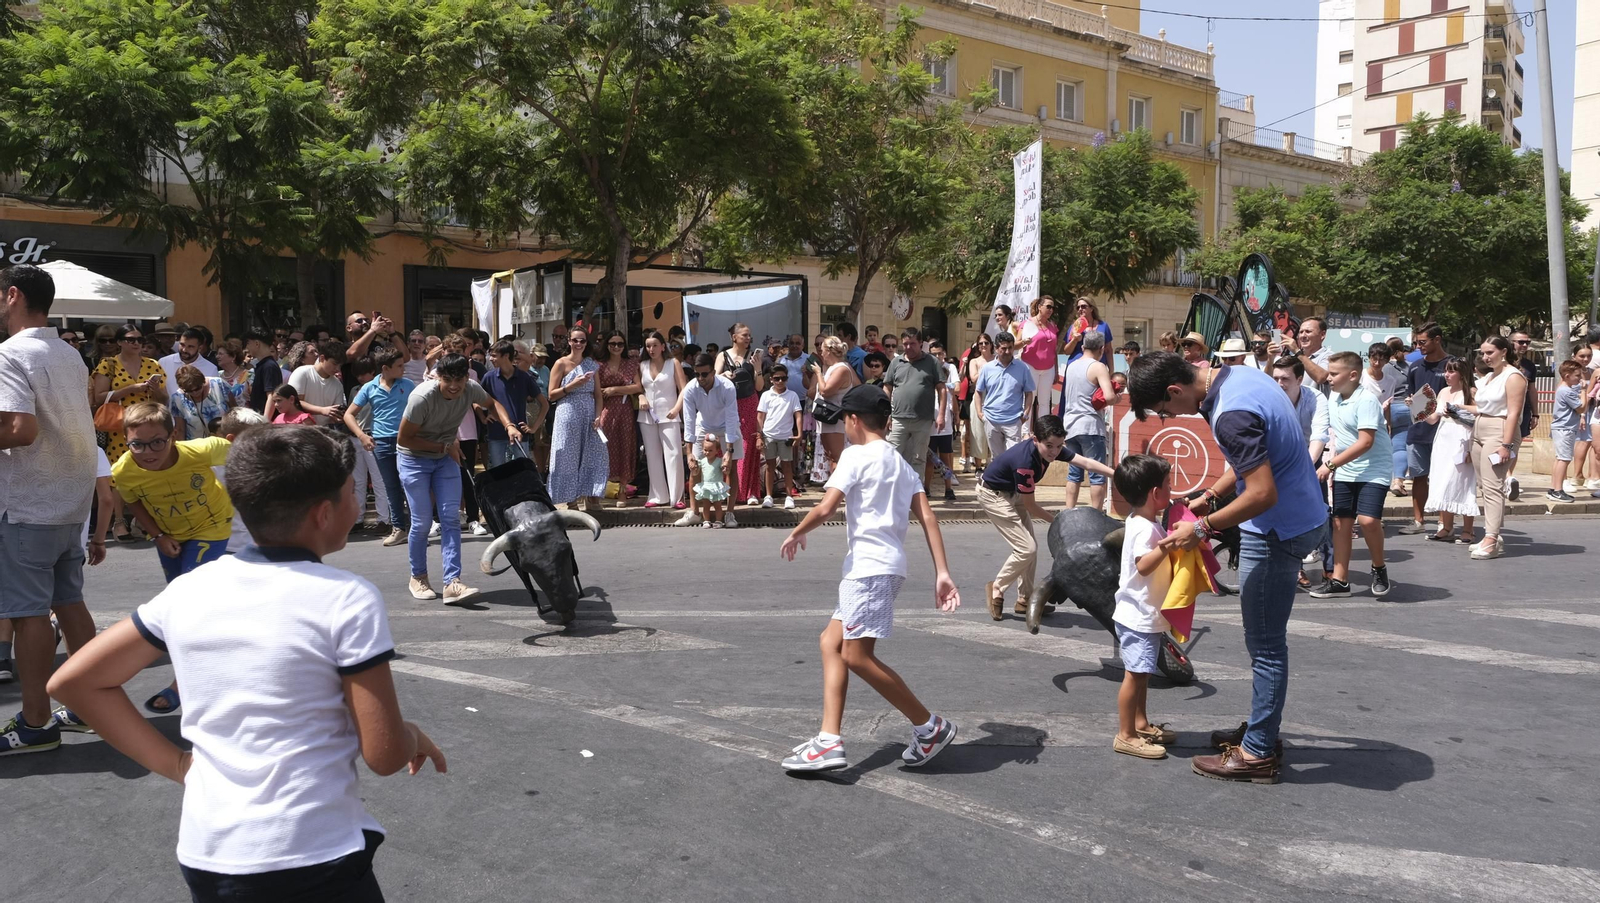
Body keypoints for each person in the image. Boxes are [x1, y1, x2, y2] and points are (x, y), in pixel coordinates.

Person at [49, 425, 444, 899]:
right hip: (313, 853)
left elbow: (74, 682)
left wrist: (176, 764)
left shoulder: (190, 590)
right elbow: (383, 755)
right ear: (323, 514)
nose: (356, 503)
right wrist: (412, 735)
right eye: (351, 494)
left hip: (209, 852)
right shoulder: (347, 598)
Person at [1128, 352, 1325, 783]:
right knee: (1267, 643)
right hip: (1303, 515)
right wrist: (1212, 496)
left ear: (1175, 391)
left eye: (1165, 411)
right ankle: (1262, 728)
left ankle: (1256, 753)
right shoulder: (1241, 378)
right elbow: (1249, 462)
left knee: (1267, 645)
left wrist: (1200, 528)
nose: (1169, 418)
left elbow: (1261, 493)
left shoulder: (1229, 415)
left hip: (1277, 529)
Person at [778, 384, 961, 773]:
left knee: (856, 656)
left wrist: (797, 531)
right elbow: (928, 517)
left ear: (855, 420)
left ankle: (929, 726)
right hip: (883, 568)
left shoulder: (855, 455)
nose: (843, 425)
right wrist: (942, 572)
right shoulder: (899, 462)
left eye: (844, 418)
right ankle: (829, 738)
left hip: (868, 570)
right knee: (831, 641)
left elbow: (827, 506)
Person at [0, 264, 101, 754]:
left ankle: (36, 723)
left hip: (29, 499)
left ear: (13, 295)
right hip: (69, 496)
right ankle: (87, 705)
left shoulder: (10, 353)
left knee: (27, 614)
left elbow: (21, 430)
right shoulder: (67, 351)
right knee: (69, 602)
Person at [114, 402, 236, 713]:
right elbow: (134, 504)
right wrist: (157, 536)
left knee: (187, 604)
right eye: (137, 444)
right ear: (126, 441)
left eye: (157, 441)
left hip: (211, 528)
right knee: (188, 605)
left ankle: (183, 684)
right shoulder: (124, 470)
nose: (148, 451)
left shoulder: (200, 450)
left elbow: (248, 449)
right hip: (169, 536)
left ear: (173, 435)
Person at [398, 353, 521, 603]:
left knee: (451, 519)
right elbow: (404, 439)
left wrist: (509, 424)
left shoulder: (471, 389)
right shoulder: (421, 397)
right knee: (422, 523)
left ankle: (452, 582)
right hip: (414, 459)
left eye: (459, 379)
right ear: (437, 377)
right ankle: (418, 577)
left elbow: (493, 403)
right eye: (447, 379)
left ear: (467, 377)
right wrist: (442, 447)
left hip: (444, 458)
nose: (453, 386)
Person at [978, 415, 1114, 622]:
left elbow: (1085, 462)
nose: (1054, 452)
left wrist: (1116, 473)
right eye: (1049, 446)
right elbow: (1031, 506)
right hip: (993, 495)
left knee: (1029, 548)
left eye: (1059, 446)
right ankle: (997, 587)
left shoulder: (1052, 450)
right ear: (1035, 439)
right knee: (1027, 548)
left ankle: (1024, 600)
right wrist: (1061, 522)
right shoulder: (1025, 462)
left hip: (1013, 494)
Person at [1311, 352, 1395, 598]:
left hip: (1374, 468)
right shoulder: (1334, 398)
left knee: (1368, 521)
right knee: (1340, 523)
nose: (1329, 378)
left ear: (1353, 375)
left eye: (1334, 374)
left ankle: (1379, 568)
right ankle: (1340, 580)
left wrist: (1331, 464)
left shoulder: (1366, 400)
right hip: (1347, 469)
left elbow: (1366, 442)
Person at [1110, 454, 1177, 760]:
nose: (1171, 489)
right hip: (1138, 615)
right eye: (1168, 484)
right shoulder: (1146, 530)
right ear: (1155, 493)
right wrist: (1166, 545)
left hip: (1140, 613)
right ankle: (1125, 735)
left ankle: (1139, 724)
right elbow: (1144, 565)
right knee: (1135, 675)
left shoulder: (1143, 520)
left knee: (1142, 673)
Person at [346, 346, 416, 546]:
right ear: (386, 368)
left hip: (406, 441)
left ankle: (416, 530)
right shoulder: (369, 387)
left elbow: (421, 409)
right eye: (399, 365)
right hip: (381, 442)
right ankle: (399, 529)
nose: (403, 369)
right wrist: (361, 435)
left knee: (409, 484)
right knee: (391, 486)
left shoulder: (408, 385)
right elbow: (348, 414)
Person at [1467, 336, 1525, 560]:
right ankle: (1492, 535)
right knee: (1484, 485)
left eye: (1490, 352)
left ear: (1503, 352)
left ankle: (1491, 537)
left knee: (1493, 487)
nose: (1485, 357)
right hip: (1480, 429)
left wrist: (1506, 445)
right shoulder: (1490, 376)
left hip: (1499, 431)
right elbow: (1479, 406)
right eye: (1483, 353)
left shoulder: (1513, 376)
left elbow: (1513, 413)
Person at [93, 324, 169, 488]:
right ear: (119, 342)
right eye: (130, 340)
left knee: (148, 470)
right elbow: (99, 397)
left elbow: (164, 399)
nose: (136, 343)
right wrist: (131, 389)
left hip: (149, 423)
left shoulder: (153, 365)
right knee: (119, 472)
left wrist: (155, 389)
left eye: (139, 340)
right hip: (120, 425)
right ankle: (120, 513)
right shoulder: (109, 364)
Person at [674, 353, 744, 528]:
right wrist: (689, 453)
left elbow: (731, 417)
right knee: (695, 468)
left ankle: (729, 514)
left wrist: (728, 451)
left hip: (727, 426)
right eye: (696, 374)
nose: (700, 378)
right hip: (703, 426)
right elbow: (689, 420)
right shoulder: (690, 388)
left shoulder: (727, 387)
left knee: (731, 468)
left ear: (713, 372)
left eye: (704, 374)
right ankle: (695, 513)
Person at [546, 326, 608, 511]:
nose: (579, 344)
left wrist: (598, 415)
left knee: (593, 453)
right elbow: (551, 394)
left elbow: (598, 395)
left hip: (588, 412)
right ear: (569, 341)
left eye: (582, 340)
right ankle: (570, 499)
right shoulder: (561, 364)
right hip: (567, 412)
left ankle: (591, 495)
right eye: (575, 340)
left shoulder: (591, 364)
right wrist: (572, 385)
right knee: (567, 454)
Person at [1059, 330, 1120, 511]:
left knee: (1074, 474)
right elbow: (1109, 397)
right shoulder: (1099, 367)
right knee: (1097, 475)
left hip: (1070, 425)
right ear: (1102, 349)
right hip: (1091, 425)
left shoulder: (1071, 366)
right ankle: (1096, 514)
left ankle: (1069, 512)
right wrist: (1118, 399)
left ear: (1083, 346)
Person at [1400, 323, 1451, 534]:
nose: (1418, 346)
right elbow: (1411, 395)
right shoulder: (1414, 367)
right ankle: (1418, 521)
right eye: (1415, 342)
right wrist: (1410, 402)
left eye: (1422, 342)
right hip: (1418, 429)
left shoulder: (1452, 364)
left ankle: (1443, 523)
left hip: (1445, 431)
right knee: (1418, 476)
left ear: (1437, 339)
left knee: (1442, 477)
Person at [1422, 358, 1479, 542]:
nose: (1447, 375)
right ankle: (1446, 527)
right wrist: (1417, 408)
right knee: (1442, 481)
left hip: (1462, 438)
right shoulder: (1443, 391)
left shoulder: (1471, 392)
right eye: (1446, 371)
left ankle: (1468, 529)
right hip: (1443, 439)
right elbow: (1432, 419)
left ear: (1461, 373)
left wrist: (1472, 447)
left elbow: (1480, 413)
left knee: (1462, 482)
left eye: (1451, 371)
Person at [882, 327, 946, 476]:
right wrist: (886, 414)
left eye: (912, 343)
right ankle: (893, 492)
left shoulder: (932, 362)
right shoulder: (896, 362)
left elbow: (941, 389)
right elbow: (887, 388)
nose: (908, 347)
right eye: (905, 344)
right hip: (898, 419)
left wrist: (941, 415)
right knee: (892, 457)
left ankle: (916, 494)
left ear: (920, 343)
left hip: (923, 419)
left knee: (919, 458)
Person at [340, 357, 393, 536]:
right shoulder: (355, 390)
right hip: (356, 436)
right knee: (358, 480)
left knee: (378, 480)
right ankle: (358, 518)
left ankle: (384, 519)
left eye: (364, 373)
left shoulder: (379, 387)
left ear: (373, 372)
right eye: (358, 374)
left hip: (373, 435)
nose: (361, 377)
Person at [637, 331, 687, 510]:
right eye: (648, 346)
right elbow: (637, 387)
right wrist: (641, 396)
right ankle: (658, 495)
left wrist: (676, 409)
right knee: (652, 456)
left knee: (673, 455)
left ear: (662, 346)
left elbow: (684, 389)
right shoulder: (642, 365)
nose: (651, 349)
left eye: (655, 345)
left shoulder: (672, 363)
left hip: (670, 415)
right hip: (647, 416)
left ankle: (677, 497)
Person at [482, 340, 545, 470]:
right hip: (496, 433)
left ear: (506, 356)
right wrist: (483, 417)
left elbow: (544, 404)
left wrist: (534, 428)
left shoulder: (524, 377)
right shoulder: (489, 377)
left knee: (523, 472)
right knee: (498, 474)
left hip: (520, 434)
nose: (491, 359)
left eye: (494, 355)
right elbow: (476, 400)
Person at [596, 330, 642, 506]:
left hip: (624, 408)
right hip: (606, 409)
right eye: (612, 343)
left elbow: (637, 386)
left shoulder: (630, 364)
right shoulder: (599, 365)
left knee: (625, 446)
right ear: (607, 345)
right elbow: (597, 391)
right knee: (603, 449)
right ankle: (599, 490)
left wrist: (615, 390)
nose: (616, 347)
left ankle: (623, 490)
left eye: (620, 344)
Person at [973, 331, 1034, 456]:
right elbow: (978, 392)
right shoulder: (987, 368)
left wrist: (1025, 415)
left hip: (1014, 421)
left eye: (1010, 348)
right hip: (991, 420)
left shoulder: (1023, 368)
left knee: (1013, 457)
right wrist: (980, 414)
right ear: (996, 348)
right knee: (997, 459)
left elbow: (1029, 393)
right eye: (1003, 348)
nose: (1007, 352)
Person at [812, 337, 860, 480]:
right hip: (825, 419)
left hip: (835, 420)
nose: (821, 354)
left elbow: (825, 391)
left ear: (829, 351)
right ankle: (835, 491)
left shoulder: (842, 369)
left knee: (837, 459)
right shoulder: (833, 368)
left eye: (822, 351)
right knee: (831, 457)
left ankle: (840, 493)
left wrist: (818, 373)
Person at [756, 365, 802, 509]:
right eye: (777, 378)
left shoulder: (792, 395)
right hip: (769, 435)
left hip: (786, 436)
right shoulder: (766, 395)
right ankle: (768, 496)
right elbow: (760, 416)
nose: (780, 381)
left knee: (787, 466)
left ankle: (789, 496)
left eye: (783, 378)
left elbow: (798, 415)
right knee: (769, 466)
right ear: (771, 380)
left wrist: (799, 433)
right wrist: (759, 435)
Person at [270, 340, 346, 426]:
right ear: (322, 358)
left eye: (340, 365)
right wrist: (322, 410)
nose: (337, 369)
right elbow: (295, 402)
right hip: (299, 428)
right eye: (334, 364)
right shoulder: (302, 372)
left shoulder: (337, 384)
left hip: (324, 431)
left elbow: (335, 412)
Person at [1505, 331, 1539, 501]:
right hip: (1502, 411)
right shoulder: (1501, 362)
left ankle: (1509, 477)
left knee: (1515, 445)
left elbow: (1532, 390)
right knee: (1502, 443)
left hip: (1523, 411)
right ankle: (1504, 477)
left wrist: (1536, 413)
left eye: (1527, 342)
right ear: (1510, 343)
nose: (1524, 345)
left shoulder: (1529, 366)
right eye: (1521, 342)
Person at [1546, 360, 1585, 503]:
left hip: (1562, 428)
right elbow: (1581, 408)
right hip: (1565, 429)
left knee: (1560, 458)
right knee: (1564, 459)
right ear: (1567, 376)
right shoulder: (1566, 391)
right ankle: (1557, 490)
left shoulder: (1563, 388)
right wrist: (1584, 391)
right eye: (1577, 375)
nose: (1579, 378)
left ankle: (1554, 488)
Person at [1018, 296, 1060, 422]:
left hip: (1048, 368)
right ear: (1039, 307)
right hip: (1030, 366)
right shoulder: (1027, 324)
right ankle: (1025, 432)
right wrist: (1023, 342)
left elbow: (1054, 350)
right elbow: (1015, 344)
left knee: (1045, 401)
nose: (1051, 309)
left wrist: (1056, 370)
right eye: (1048, 306)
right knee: (1029, 398)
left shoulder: (1052, 325)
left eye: (1052, 307)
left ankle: (1043, 431)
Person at [169, 365, 235, 441]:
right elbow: (180, 430)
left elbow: (235, 411)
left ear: (202, 381)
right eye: (189, 391)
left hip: (225, 442)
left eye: (198, 388)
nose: (195, 393)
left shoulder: (219, 384)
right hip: (197, 447)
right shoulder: (177, 398)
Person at [960, 334, 995, 471]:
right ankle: (978, 467)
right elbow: (974, 378)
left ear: (991, 344)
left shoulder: (997, 359)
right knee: (977, 433)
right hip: (979, 397)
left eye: (986, 342)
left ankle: (991, 464)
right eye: (981, 343)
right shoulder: (974, 361)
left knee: (993, 433)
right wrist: (988, 369)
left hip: (994, 397)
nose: (984, 345)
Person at [1276, 316, 1331, 395]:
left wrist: (1297, 351)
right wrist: (1271, 357)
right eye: (1301, 332)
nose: (1303, 336)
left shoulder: (1328, 356)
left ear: (1322, 335)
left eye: (1308, 332)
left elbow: (1321, 378)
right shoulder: (1294, 357)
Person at [159, 328, 219, 400]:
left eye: (190, 346)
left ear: (200, 348)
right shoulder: (163, 362)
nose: (184, 350)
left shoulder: (211, 369)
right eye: (182, 345)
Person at [1061, 297, 1114, 365]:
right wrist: (1074, 340)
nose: (1080, 309)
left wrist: (1111, 370)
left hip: (1098, 367)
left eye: (1083, 306)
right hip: (1077, 367)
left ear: (1091, 308)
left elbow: (1108, 350)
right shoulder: (1074, 327)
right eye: (1078, 307)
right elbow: (1067, 351)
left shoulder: (1103, 326)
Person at [693, 435, 731, 528]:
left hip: (716, 486)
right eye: (705, 450)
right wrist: (695, 469)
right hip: (706, 486)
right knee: (706, 505)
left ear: (717, 451)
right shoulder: (702, 461)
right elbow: (696, 472)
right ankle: (706, 521)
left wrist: (725, 469)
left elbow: (725, 470)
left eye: (710, 450)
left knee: (717, 505)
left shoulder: (719, 461)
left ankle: (718, 521)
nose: (707, 452)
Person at [243, 331, 282, 414]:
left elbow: (271, 396)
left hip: (265, 422)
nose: (247, 347)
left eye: (248, 343)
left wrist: (266, 421)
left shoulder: (269, 366)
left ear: (257, 343)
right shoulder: (263, 365)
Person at [214, 339, 250, 405]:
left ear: (233, 356)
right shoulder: (217, 375)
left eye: (220, 354)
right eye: (217, 354)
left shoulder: (248, 375)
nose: (217, 356)